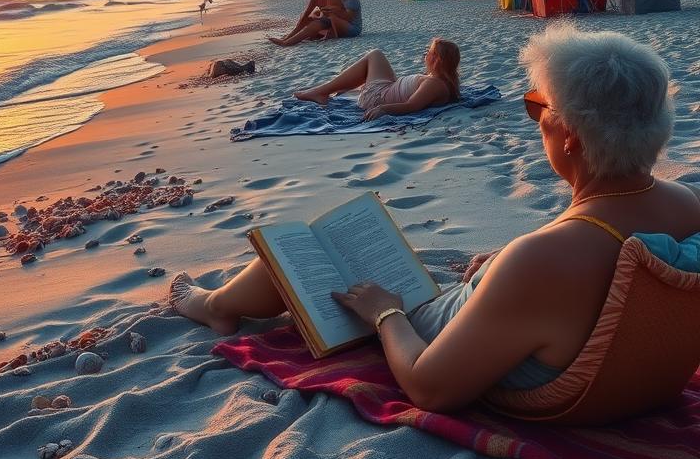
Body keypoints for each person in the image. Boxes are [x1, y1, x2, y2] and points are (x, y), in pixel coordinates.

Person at [172, 25, 700, 413]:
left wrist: (385, 314)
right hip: (628, 378)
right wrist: (505, 274)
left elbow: (430, 388)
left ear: (571, 136)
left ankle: (216, 306)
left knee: (305, 255)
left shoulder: (544, 261)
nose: (534, 117)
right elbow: (594, 281)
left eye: (538, 107)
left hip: (464, 353)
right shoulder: (684, 205)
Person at [293, 37, 458, 117]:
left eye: (428, 52)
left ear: (437, 60)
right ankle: (333, 88)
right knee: (376, 58)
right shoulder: (438, 79)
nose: (425, 55)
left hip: (377, 98)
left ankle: (322, 92)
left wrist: (382, 109)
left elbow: (411, 105)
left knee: (375, 55)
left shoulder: (435, 84)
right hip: (387, 89)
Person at [268, 0, 347, 47]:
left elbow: (342, 13)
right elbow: (305, 16)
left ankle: (286, 43)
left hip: (337, 22)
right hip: (326, 21)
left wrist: (332, 30)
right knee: (307, 18)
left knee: (316, 23)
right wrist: (291, 34)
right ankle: (287, 39)